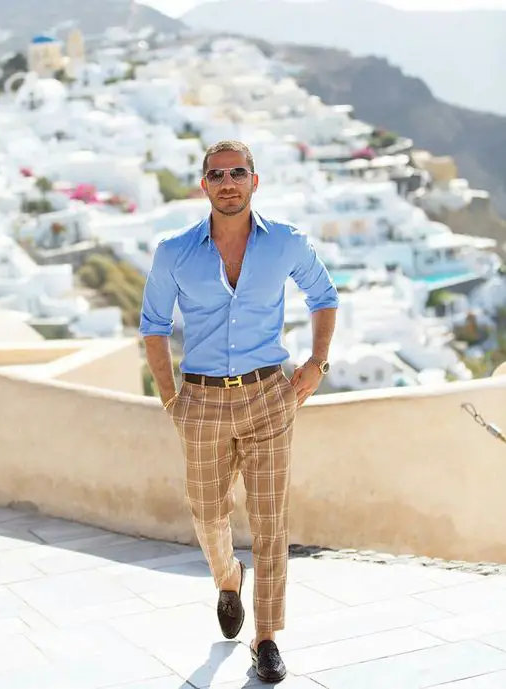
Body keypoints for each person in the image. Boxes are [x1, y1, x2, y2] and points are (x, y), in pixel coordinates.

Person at [140, 140, 338, 683]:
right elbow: (153, 326)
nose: (228, 182)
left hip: (268, 396)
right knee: (207, 511)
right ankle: (229, 577)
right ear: (203, 184)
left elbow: (324, 296)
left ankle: (266, 637)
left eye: (238, 173)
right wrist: (170, 398)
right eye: (217, 174)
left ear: (255, 180)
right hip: (201, 399)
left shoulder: (286, 242)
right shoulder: (174, 252)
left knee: (271, 520)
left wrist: (317, 363)